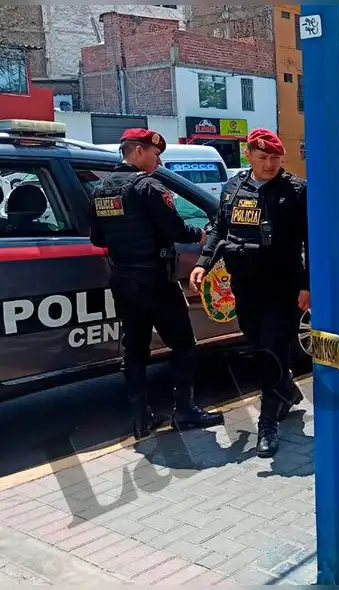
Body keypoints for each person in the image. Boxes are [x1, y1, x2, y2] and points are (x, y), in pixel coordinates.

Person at [87, 129, 224, 439]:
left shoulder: (101, 190)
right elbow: (176, 229)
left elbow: (96, 238)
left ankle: (140, 418)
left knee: (135, 349)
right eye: (154, 153)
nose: (158, 159)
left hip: (123, 281)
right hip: (156, 281)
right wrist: (200, 235)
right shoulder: (148, 186)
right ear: (137, 152)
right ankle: (185, 411)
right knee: (183, 344)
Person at [189, 128, 309, 458]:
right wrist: (203, 263)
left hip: (281, 286)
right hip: (245, 285)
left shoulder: (295, 191)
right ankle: (285, 389)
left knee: (272, 351)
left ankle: (267, 423)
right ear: (249, 156)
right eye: (263, 157)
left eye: (275, 158)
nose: (270, 164)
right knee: (259, 348)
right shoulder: (233, 189)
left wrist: (308, 285)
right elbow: (219, 229)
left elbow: (311, 240)